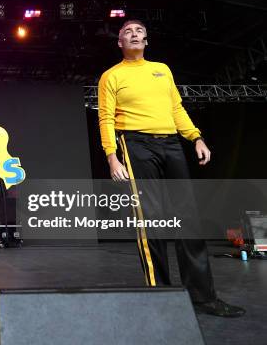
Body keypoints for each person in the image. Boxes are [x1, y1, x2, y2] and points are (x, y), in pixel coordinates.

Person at [97, 19, 245, 317]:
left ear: (147, 41)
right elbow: (106, 119)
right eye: (127, 32)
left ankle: (203, 298)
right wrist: (112, 156)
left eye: (139, 31)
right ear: (120, 43)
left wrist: (196, 138)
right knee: (150, 219)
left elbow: (176, 108)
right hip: (136, 145)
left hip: (171, 144)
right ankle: (160, 296)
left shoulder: (162, 70)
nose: (134, 34)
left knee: (188, 218)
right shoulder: (110, 76)